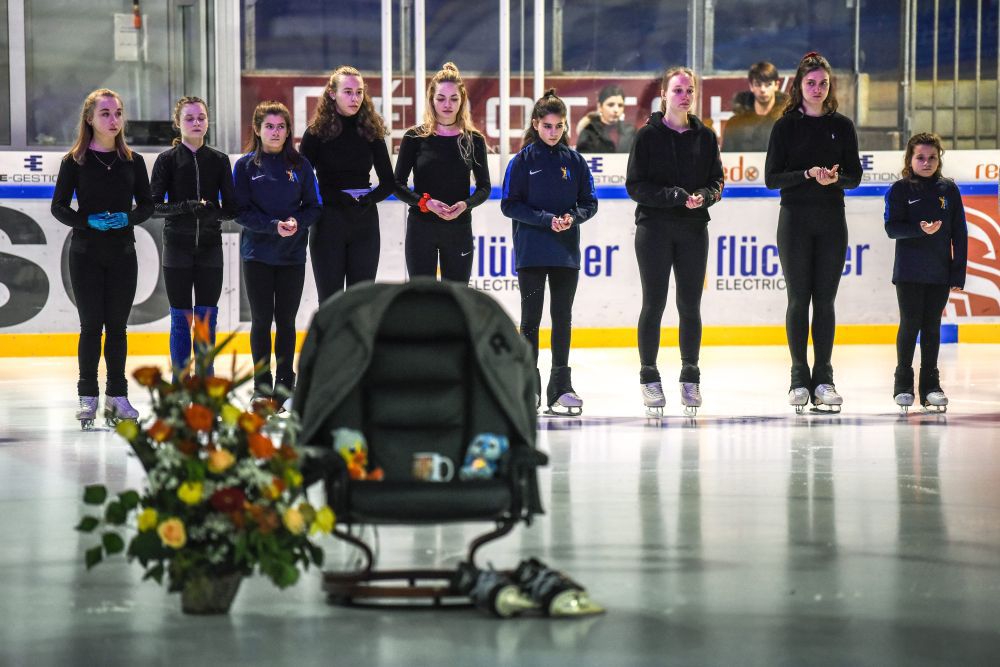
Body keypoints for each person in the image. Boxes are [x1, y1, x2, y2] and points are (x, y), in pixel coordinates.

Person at [764, 52, 862, 413]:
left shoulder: (843, 126)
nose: (817, 89)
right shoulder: (785, 127)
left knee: (825, 301)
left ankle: (824, 378)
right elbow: (771, 178)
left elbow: (855, 176)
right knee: (797, 299)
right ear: (799, 86)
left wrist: (837, 178)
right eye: (810, 83)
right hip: (795, 220)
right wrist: (806, 174)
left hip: (832, 220)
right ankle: (797, 378)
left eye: (822, 83)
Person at [51, 89, 154, 430]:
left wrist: (128, 218)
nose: (114, 119)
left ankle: (118, 394)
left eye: (118, 113)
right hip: (86, 255)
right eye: (106, 113)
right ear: (90, 119)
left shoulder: (133, 161)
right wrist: (87, 221)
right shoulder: (74, 161)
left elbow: (148, 206)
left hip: (123, 254)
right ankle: (87, 395)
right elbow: (59, 207)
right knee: (91, 326)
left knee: (118, 328)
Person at [626, 67, 724, 418]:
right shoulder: (647, 137)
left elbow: (717, 181)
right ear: (665, 95)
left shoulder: (706, 136)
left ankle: (690, 374)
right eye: (678, 90)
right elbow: (635, 186)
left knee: (690, 305)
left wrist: (704, 196)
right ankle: (649, 374)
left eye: (690, 90)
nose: (685, 96)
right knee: (654, 303)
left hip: (693, 229)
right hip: (654, 228)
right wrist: (673, 196)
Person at [501, 89, 598, 416]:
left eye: (558, 126)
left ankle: (561, 386)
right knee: (530, 320)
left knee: (562, 319)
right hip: (531, 252)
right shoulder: (522, 161)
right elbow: (510, 204)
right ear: (535, 124)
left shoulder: (575, 161)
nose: (553, 132)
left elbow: (589, 202)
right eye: (547, 126)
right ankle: (528, 386)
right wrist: (546, 220)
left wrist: (573, 217)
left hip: (565, 254)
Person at [233, 101, 321, 408]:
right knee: (261, 319)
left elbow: (314, 206)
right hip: (256, 254)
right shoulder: (244, 167)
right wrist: (272, 226)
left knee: (286, 320)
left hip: (292, 256)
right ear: (257, 130)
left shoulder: (300, 166)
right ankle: (261, 386)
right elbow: (240, 211)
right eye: (269, 126)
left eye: (281, 127)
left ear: (288, 132)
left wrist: (297, 222)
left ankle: (285, 384)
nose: (275, 132)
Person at [150, 96, 236, 379]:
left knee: (205, 320)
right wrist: (185, 207)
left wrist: (213, 212)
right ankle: (179, 386)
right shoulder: (167, 160)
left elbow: (233, 208)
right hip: (177, 248)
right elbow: (153, 207)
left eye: (201, 118)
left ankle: (204, 387)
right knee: (180, 319)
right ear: (178, 123)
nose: (196, 123)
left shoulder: (220, 160)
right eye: (189, 118)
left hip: (211, 249)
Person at [884, 132, 967, 413]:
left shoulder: (949, 190)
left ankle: (931, 386)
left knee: (932, 327)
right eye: (920, 157)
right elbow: (891, 228)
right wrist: (918, 229)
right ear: (910, 158)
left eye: (932, 157)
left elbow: (960, 234)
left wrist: (958, 272)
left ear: (939, 159)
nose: (927, 162)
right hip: (908, 271)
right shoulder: (900, 190)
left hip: (938, 271)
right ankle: (903, 385)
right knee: (910, 325)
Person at [300, 65, 393, 302]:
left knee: (361, 302)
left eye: (359, 92)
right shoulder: (315, 133)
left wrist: (369, 198)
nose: (355, 98)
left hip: (364, 223)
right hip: (328, 223)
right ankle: (330, 341)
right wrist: (331, 197)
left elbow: (389, 182)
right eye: (348, 92)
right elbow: (303, 182)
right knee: (330, 302)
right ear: (332, 93)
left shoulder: (372, 130)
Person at [393, 62, 490, 282]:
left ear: (462, 100)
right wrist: (426, 203)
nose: (447, 104)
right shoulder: (414, 137)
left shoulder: (474, 140)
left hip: (458, 229)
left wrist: (465, 204)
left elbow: (484, 187)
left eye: (454, 99)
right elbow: (397, 184)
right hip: (421, 229)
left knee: (456, 300)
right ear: (431, 100)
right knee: (421, 299)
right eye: (441, 98)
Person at [723, 61, 788, 152]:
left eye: (768, 84)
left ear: (776, 85)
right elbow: (727, 159)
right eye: (758, 84)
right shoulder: (735, 124)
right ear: (751, 86)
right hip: (742, 166)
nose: (763, 89)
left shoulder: (786, 122)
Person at [576, 84, 636, 154]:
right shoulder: (589, 132)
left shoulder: (630, 132)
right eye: (610, 105)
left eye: (620, 105)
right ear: (600, 107)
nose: (616, 110)